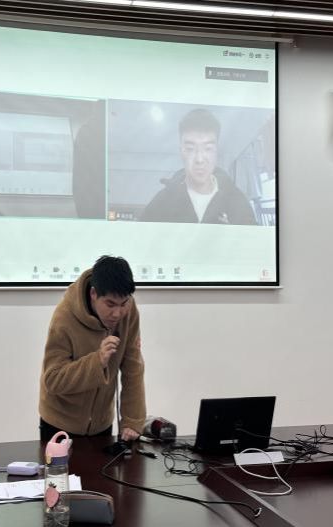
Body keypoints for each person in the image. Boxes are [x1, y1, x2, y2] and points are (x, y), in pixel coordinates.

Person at [39, 255, 146, 442]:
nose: (117, 313)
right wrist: (97, 361)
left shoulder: (129, 312)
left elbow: (133, 367)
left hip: (101, 424)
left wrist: (132, 421)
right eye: (110, 304)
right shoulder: (64, 317)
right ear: (94, 294)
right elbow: (53, 379)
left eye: (123, 304)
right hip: (60, 424)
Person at [140, 108, 257, 225]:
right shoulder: (161, 203)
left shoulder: (237, 202)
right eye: (190, 149)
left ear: (216, 151)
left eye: (208, 148)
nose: (199, 159)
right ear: (181, 152)